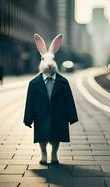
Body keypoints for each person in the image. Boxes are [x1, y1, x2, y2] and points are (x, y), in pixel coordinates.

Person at [24, 33, 78, 165]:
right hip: (40, 114)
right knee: (41, 136)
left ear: (54, 61)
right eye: (45, 60)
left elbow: (69, 101)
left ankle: (54, 154)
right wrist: (28, 118)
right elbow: (29, 102)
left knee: (56, 136)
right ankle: (43, 154)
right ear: (41, 60)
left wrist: (71, 116)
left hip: (58, 114)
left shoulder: (63, 82)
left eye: (51, 60)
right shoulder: (33, 83)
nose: (49, 64)